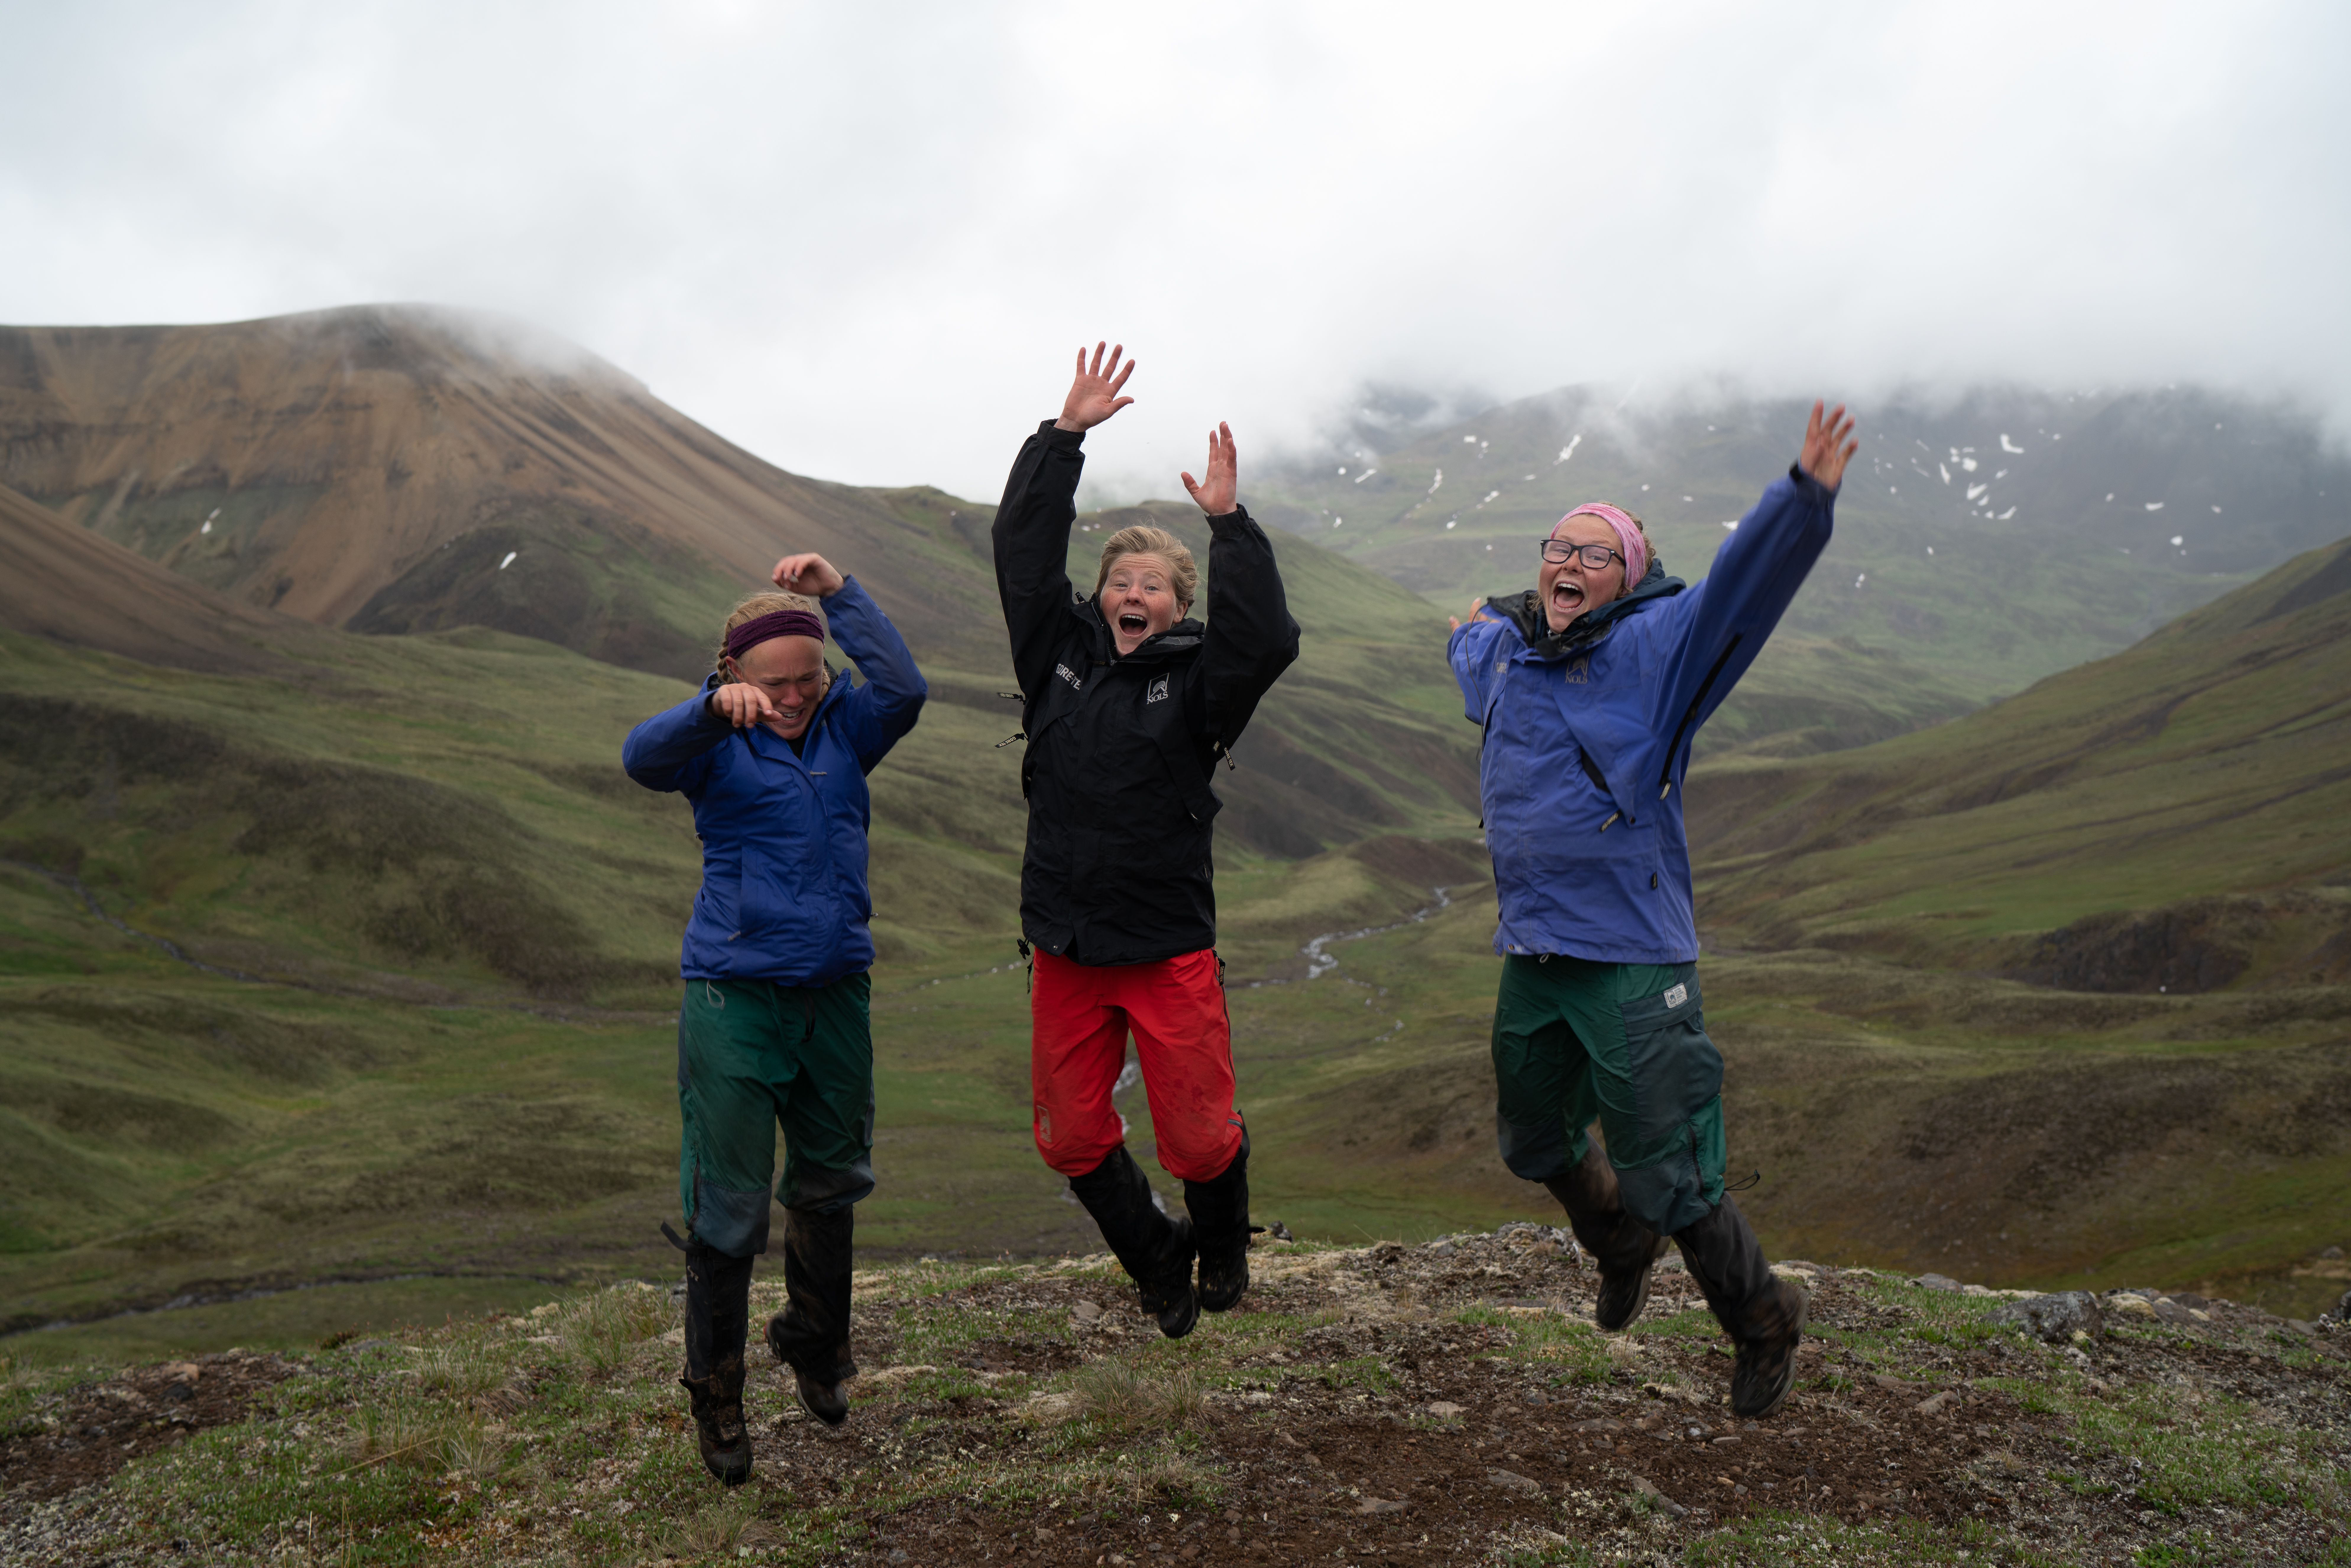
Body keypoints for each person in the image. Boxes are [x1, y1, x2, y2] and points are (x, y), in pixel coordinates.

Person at [1448, 402, 1858, 1419]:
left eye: (1595, 552)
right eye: (1557, 548)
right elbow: (1477, 663)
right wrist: (1466, 632)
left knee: (1668, 1171)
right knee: (1532, 1137)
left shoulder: (1657, 653)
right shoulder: (1507, 651)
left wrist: (1800, 500)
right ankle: (1617, 1242)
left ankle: (1765, 1322)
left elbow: (1739, 597)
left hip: (1632, 952)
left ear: (1629, 578)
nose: (1569, 562)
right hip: (1537, 950)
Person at [993, 343, 1301, 1337]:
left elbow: (1266, 642)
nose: (1134, 593)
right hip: (1067, 942)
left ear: (1179, 607)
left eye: (1155, 586)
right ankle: (1158, 1259)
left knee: (1203, 1139)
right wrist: (1064, 438)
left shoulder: (1205, 683)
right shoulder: (1057, 657)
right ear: (1101, 596)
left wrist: (1227, 524)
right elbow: (1022, 553)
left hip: (1165, 943)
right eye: (1121, 580)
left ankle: (1221, 1252)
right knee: (1070, 1136)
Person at [622, 552, 926, 1482]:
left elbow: (908, 687)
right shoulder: (713, 738)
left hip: (836, 987)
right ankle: (717, 1396)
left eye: (808, 678)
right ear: (736, 676)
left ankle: (815, 1340)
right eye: (774, 683)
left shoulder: (849, 726)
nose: (793, 696)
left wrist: (842, 597)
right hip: (735, 995)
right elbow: (640, 758)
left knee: (833, 1177)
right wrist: (708, 711)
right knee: (730, 1206)